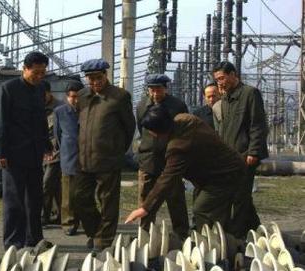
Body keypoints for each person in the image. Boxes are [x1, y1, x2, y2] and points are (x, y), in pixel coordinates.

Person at [125, 106, 247, 233]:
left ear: (159, 132)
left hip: (225, 176)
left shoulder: (178, 147)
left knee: (202, 209)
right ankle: (233, 240)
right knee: (222, 213)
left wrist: (145, 208)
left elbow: (168, 178)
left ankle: (211, 246)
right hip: (226, 169)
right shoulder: (184, 119)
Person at [72, 58, 135, 251]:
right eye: (90, 79)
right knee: (79, 198)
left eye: (98, 78)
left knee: (108, 201)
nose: (94, 82)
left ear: (105, 75)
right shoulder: (82, 97)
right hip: (84, 159)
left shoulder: (120, 96)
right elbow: (78, 125)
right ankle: (95, 231)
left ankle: (104, 240)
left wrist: (116, 150)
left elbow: (129, 127)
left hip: (108, 158)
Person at [0, 51, 53, 249]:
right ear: (24, 69)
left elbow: (41, 120)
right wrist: (0, 152)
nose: (39, 77)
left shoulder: (39, 90)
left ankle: (34, 238)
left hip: (34, 153)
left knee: (35, 198)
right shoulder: (8, 89)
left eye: (42, 73)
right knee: (14, 201)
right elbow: (1, 122)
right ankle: (13, 241)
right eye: (35, 72)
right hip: (13, 154)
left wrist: (46, 145)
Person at [212, 61, 269, 238]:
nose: (220, 83)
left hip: (245, 155)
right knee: (239, 195)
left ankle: (235, 235)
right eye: (217, 80)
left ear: (233, 74)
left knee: (240, 196)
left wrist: (253, 151)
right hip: (229, 156)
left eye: (222, 78)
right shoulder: (226, 99)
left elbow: (257, 125)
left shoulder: (250, 94)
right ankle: (257, 230)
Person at [135, 74, 189, 239]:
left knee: (175, 198)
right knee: (146, 198)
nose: (155, 93)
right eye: (152, 89)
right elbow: (141, 126)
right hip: (148, 158)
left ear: (166, 88)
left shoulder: (177, 106)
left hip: (170, 159)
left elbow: (183, 130)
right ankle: (145, 233)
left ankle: (181, 233)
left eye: (158, 89)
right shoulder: (142, 105)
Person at [53, 81, 85, 236]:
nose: (76, 100)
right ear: (67, 97)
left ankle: (86, 221)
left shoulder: (87, 110)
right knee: (68, 195)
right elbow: (58, 135)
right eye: (72, 97)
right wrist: (65, 151)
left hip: (87, 157)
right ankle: (68, 223)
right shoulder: (60, 112)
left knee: (86, 193)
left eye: (78, 97)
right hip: (69, 157)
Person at [41, 80, 64, 226]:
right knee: (55, 186)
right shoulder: (36, 106)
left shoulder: (60, 108)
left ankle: (45, 216)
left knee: (47, 183)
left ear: (49, 93)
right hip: (42, 152)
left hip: (56, 152)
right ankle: (61, 215)